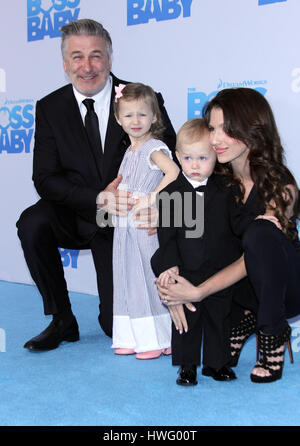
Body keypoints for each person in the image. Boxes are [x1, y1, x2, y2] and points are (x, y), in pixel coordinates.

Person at [16, 19, 176, 351]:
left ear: (110, 58)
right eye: (77, 57)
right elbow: (44, 178)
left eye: (96, 56)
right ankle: (62, 318)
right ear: (64, 63)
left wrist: (159, 207)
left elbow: (175, 162)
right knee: (32, 223)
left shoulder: (142, 99)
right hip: (77, 212)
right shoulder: (49, 107)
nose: (87, 67)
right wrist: (97, 198)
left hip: (125, 226)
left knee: (113, 326)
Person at [156, 88, 300, 383]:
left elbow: (253, 260)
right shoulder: (214, 180)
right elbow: (180, 233)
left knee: (260, 234)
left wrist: (197, 292)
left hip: (286, 289)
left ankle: (271, 332)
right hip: (235, 292)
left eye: (227, 129)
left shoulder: (280, 184)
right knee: (218, 355)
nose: (216, 138)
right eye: (212, 127)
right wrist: (170, 282)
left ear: (253, 130)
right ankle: (247, 316)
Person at [151, 118, 242, 384]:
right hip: (186, 269)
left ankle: (217, 363)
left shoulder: (227, 191)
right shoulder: (170, 193)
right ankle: (187, 365)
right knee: (186, 321)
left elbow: (236, 229)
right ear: (177, 157)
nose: (194, 165)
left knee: (219, 319)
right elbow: (165, 237)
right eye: (188, 157)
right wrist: (169, 265)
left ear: (216, 156)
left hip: (219, 270)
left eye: (202, 158)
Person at [111, 83, 179, 359]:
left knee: (148, 279)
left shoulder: (154, 148)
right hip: (125, 226)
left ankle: (161, 338)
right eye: (128, 115)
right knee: (126, 278)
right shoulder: (129, 151)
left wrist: (151, 199)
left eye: (142, 114)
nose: (135, 121)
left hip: (143, 226)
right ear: (118, 119)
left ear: (154, 117)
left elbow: (174, 173)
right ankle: (132, 335)